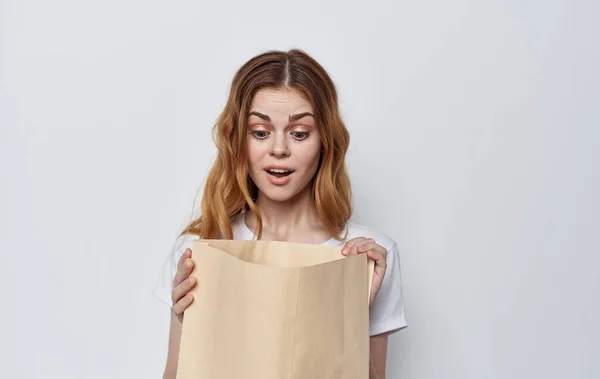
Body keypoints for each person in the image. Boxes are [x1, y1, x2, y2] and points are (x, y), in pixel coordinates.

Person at [153, 49, 408, 379]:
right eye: (260, 132)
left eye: (299, 133)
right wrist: (183, 317)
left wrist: (354, 311)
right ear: (237, 140)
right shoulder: (200, 248)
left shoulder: (368, 255)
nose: (279, 149)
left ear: (325, 141)